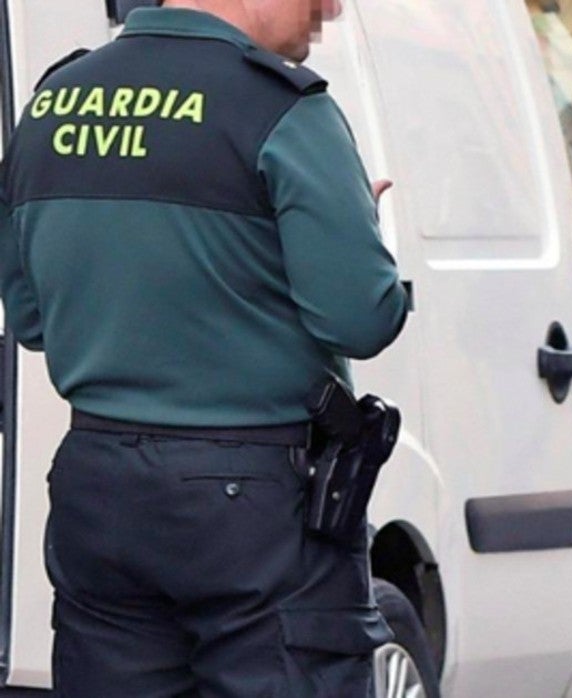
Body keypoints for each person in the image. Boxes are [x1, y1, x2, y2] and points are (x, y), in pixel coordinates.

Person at [0, 0, 408, 695]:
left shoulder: (53, 105)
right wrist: (354, 229)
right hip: (254, 501)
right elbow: (361, 319)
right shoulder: (282, 109)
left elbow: (31, 318)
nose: (332, 8)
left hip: (98, 488)